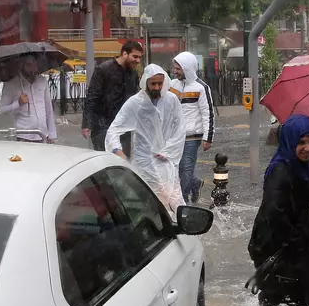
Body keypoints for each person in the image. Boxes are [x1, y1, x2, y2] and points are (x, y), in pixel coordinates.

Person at [248, 115, 309, 306]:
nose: (308, 148)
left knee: (306, 297)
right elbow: (274, 212)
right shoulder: (279, 171)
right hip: (274, 240)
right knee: (277, 294)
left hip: (299, 235)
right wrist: (295, 241)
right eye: (301, 142)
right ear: (289, 142)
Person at [105, 64, 186, 213]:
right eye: (153, 83)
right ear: (145, 83)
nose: (156, 87)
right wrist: (117, 151)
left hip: (166, 161)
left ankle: (184, 232)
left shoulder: (171, 100)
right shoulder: (136, 103)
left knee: (175, 200)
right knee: (149, 203)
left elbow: (180, 129)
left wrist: (168, 150)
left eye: (159, 83)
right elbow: (113, 130)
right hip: (144, 163)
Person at [83, 40, 143, 155]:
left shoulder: (133, 74)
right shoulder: (103, 69)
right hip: (102, 125)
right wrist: (87, 124)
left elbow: (134, 99)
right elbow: (92, 97)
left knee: (122, 162)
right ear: (125, 54)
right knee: (105, 161)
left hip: (123, 126)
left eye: (139, 58)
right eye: (135, 57)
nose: (137, 61)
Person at [170, 52, 215, 204]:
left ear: (187, 68)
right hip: (175, 136)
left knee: (186, 168)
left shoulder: (201, 88)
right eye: (174, 68)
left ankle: (183, 202)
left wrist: (208, 138)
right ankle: (195, 183)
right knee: (177, 168)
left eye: (178, 69)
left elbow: (207, 113)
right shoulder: (171, 85)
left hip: (192, 137)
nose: (174, 71)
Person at [0, 55, 57, 144]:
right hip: (23, 136)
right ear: (22, 65)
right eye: (29, 65)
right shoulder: (11, 84)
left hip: (43, 134)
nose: (33, 68)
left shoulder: (42, 81)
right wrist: (18, 103)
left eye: (35, 65)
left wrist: (52, 134)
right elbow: (1, 110)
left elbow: (48, 109)